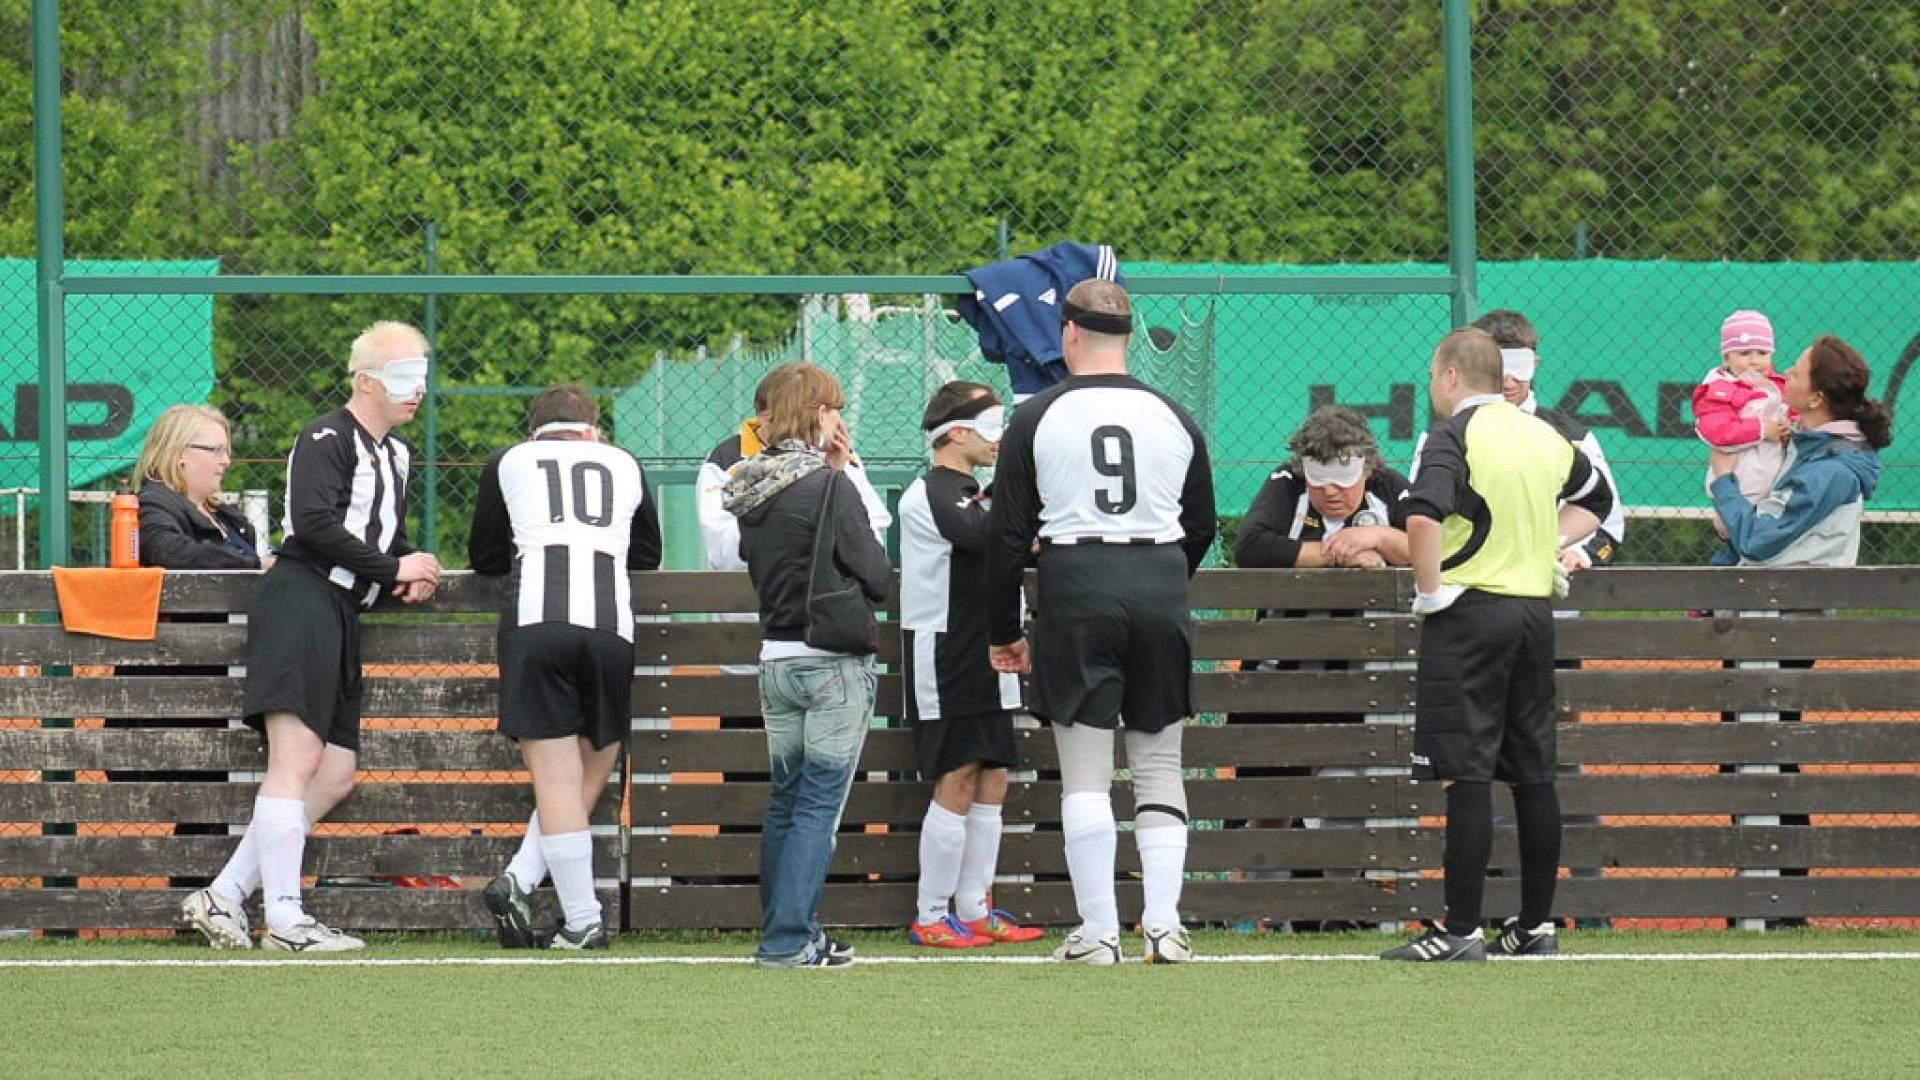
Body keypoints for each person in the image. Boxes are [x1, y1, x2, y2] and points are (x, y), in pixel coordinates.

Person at [180, 321, 443, 953]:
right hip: (303, 600)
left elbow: (385, 540)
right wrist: (392, 569)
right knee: (295, 761)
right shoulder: (326, 436)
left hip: (344, 612)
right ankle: (286, 920)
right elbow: (315, 524)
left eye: (423, 377)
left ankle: (223, 894)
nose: (418, 390)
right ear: (366, 381)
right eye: (404, 377)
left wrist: (411, 572)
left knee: (335, 772)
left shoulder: (398, 454)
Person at [984, 279, 1217, 965]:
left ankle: (1098, 932)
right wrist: (1161, 580)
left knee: (1085, 772)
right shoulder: (1174, 415)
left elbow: (1005, 538)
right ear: (1129, 335)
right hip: (1160, 580)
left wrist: (1004, 631)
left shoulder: (1037, 416)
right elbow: (1201, 525)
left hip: (1077, 582)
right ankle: (1165, 926)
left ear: (1070, 333)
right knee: (1160, 763)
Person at [1381, 327, 1613, 963]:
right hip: (1534, 616)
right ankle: (1535, 927)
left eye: (1435, 374)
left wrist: (1431, 592)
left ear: (1453, 376)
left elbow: (1422, 514)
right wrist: (1545, 547)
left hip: (1469, 615)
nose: (1433, 386)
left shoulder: (1453, 435)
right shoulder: (1542, 434)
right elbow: (1598, 499)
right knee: (1535, 775)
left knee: (1466, 774)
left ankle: (1460, 931)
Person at [466, 384, 662, 951]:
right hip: (610, 629)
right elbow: (647, 554)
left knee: (556, 778)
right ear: (591, 430)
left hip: (536, 624)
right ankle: (522, 880)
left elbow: (485, 556)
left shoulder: (509, 460)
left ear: (534, 432)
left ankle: (581, 918)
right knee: (593, 763)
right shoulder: (624, 462)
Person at [1708, 333, 1889, 926]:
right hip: (1771, 617)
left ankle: (1778, 903)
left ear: (1816, 398)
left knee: (1766, 755)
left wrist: (1725, 484)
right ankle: (1768, 899)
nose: (1784, 370)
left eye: (1799, 369)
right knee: (1758, 753)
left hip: (1782, 622)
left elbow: (1758, 538)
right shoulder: (1816, 450)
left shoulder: (1830, 469)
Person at [723, 362, 891, 968]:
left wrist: (835, 470)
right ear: (819, 415)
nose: (840, 418)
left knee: (787, 801)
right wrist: (840, 477)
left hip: (776, 658)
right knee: (819, 804)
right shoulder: (828, 487)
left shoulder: (751, 485)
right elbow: (876, 574)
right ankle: (790, 939)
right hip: (831, 662)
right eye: (835, 409)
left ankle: (789, 932)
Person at [1232, 405, 1410, 931]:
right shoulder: (1283, 486)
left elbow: (1432, 547)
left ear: (1367, 467)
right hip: (1280, 669)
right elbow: (1252, 545)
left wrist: (1377, 540)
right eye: (1320, 479)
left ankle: (1341, 909)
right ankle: (1262, 911)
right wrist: (1337, 555)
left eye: (1344, 479)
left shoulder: (1392, 489)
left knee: (1346, 790)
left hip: (1359, 675)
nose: (1331, 492)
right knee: (1270, 794)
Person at [898, 381, 1044, 949]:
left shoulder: (972, 491)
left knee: (993, 774)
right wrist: (1023, 516)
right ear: (957, 432)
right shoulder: (934, 490)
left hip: (989, 645)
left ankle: (974, 908)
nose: (998, 438)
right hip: (947, 650)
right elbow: (990, 537)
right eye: (990, 426)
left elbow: (1006, 536)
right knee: (957, 774)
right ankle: (931, 915)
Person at [1470, 310, 1624, 572]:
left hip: (1549, 584)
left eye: (1519, 367)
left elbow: (1610, 525)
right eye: (1498, 367)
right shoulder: (1447, 438)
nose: (1508, 380)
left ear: (1534, 364)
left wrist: (1579, 553)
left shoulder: (1574, 438)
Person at [1696, 310, 1793, 555]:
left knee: (1769, 552)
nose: (1754, 360)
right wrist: (1763, 430)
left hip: (1778, 490)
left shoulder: (1782, 387)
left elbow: (1799, 420)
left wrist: (1789, 432)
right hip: (1740, 489)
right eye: (1744, 353)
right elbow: (1717, 432)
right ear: (1726, 357)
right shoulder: (1718, 390)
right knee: (1738, 552)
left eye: (1762, 352)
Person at [134, 404, 269, 571]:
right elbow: (168, 551)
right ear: (180, 453)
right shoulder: (152, 504)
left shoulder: (223, 514)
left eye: (226, 452)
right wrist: (255, 564)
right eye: (217, 450)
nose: (226, 461)